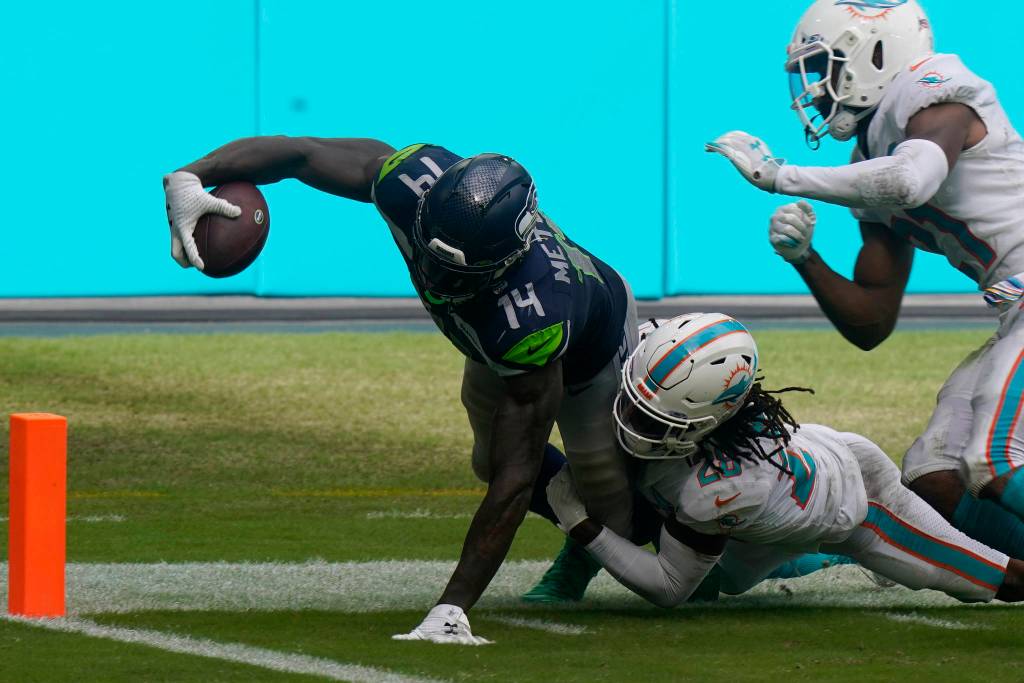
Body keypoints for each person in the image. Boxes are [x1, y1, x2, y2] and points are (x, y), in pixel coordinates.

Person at [163, 139, 637, 644]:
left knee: (613, 512)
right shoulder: (413, 182)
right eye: (431, 251)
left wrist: (451, 607)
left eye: (457, 269)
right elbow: (300, 155)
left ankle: (643, 547)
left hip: (591, 349)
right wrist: (191, 175)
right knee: (489, 461)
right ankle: (584, 518)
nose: (435, 275)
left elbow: (517, 479)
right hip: (486, 342)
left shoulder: (533, 314)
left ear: (504, 261)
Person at [705, 0, 1024, 559]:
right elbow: (872, 320)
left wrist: (782, 177)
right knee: (933, 479)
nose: (815, 89)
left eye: (822, 67)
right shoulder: (870, 154)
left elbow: (909, 181)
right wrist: (806, 258)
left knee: (994, 458)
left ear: (871, 56)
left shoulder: (935, 90)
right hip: (1014, 309)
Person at [545, 313, 1024, 606]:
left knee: (998, 580)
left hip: (862, 505)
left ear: (710, 420)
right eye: (633, 401)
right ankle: (811, 553)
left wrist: (580, 525)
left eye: (656, 420)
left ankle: (838, 550)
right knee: (727, 581)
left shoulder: (719, 489)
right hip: (785, 493)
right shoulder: (662, 353)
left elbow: (669, 588)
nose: (630, 422)